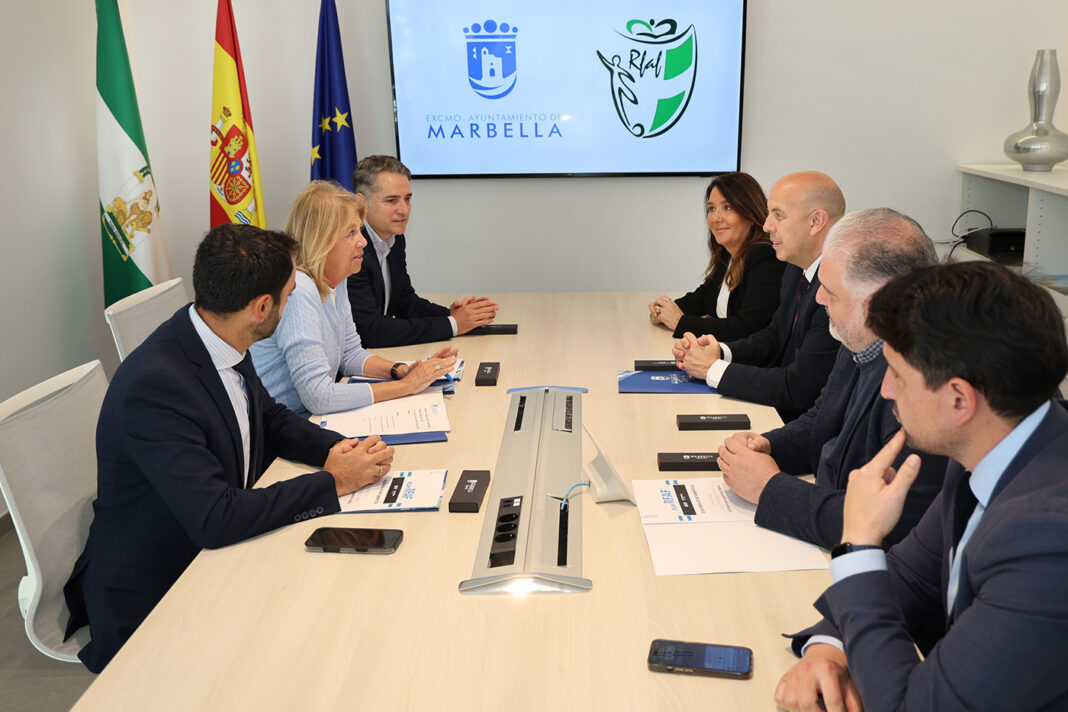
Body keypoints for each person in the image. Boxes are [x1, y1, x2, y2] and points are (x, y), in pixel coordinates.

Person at [62, 224, 396, 673]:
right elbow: (215, 519)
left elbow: (268, 417)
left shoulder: (215, 332)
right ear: (262, 308)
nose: (293, 302)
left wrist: (341, 449)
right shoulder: (156, 386)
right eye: (290, 295)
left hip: (213, 548)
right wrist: (332, 482)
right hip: (159, 591)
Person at [776, 261, 1068, 712]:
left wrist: (858, 545)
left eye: (896, 374)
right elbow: (911, 576)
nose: (886, 390)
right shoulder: (993, 443)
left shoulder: (1047, 540)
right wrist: (829, 648)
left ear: (959, 400)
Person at [717, 209, 946, 549]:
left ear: (878, 303)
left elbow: (887, 524)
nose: (819, 299)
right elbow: (823, 419)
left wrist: (768, 487)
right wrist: (768, 447)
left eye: (830, 292)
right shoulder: (859, 336)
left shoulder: (924, 386)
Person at [251, 181, 457, 417]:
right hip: (280, 426)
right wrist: (405, 386)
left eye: (360, 230)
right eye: (351, 233)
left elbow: (350, 355)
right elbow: (319, 397)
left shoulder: (337, 280)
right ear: (321, 239)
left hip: (307, 418)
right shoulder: (300, 290)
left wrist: (401, 370)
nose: (363, 242)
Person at [673, 171, 843, 422]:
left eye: (778, 215)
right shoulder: (796, 269)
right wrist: (719, 351)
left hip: (800, 425)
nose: (766, 226)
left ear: (816, 222)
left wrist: (712, 369)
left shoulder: (837, 290)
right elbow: (773, 337)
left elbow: (799, 388)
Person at [347, 155, 499, 347]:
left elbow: (405, 302)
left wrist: (452, 315)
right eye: (391, 200)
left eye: (407, 199)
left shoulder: (394, 238)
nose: (404, 210)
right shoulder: (351, 248)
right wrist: (453, 324)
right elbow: (369, 331)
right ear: (362, 203)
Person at [648, 172, 786, 340]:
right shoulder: (729, 252)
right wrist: (665, 310)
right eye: (711, 209)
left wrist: (679, 322)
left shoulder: (765, 256)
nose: (716, 218)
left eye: (727, 208)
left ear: (750, 213)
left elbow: (747, 328)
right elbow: (704, 297)